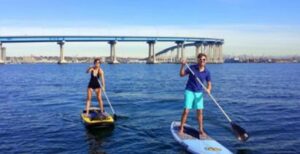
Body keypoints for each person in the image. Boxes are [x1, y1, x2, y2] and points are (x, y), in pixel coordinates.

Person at [179, 53, 212, 138]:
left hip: (199, 93)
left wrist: (208, 89)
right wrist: (182, 66)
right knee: (186, 111)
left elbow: (209, 83)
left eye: (204, 59)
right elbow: (181, 75)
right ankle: (181, 127)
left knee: (200, 112)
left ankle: (201, 130)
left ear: (206, 61)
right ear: (198, 60)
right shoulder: (192, 68)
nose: (202, 61)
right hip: (189, 91)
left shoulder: (207, 72)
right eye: (200, 59)